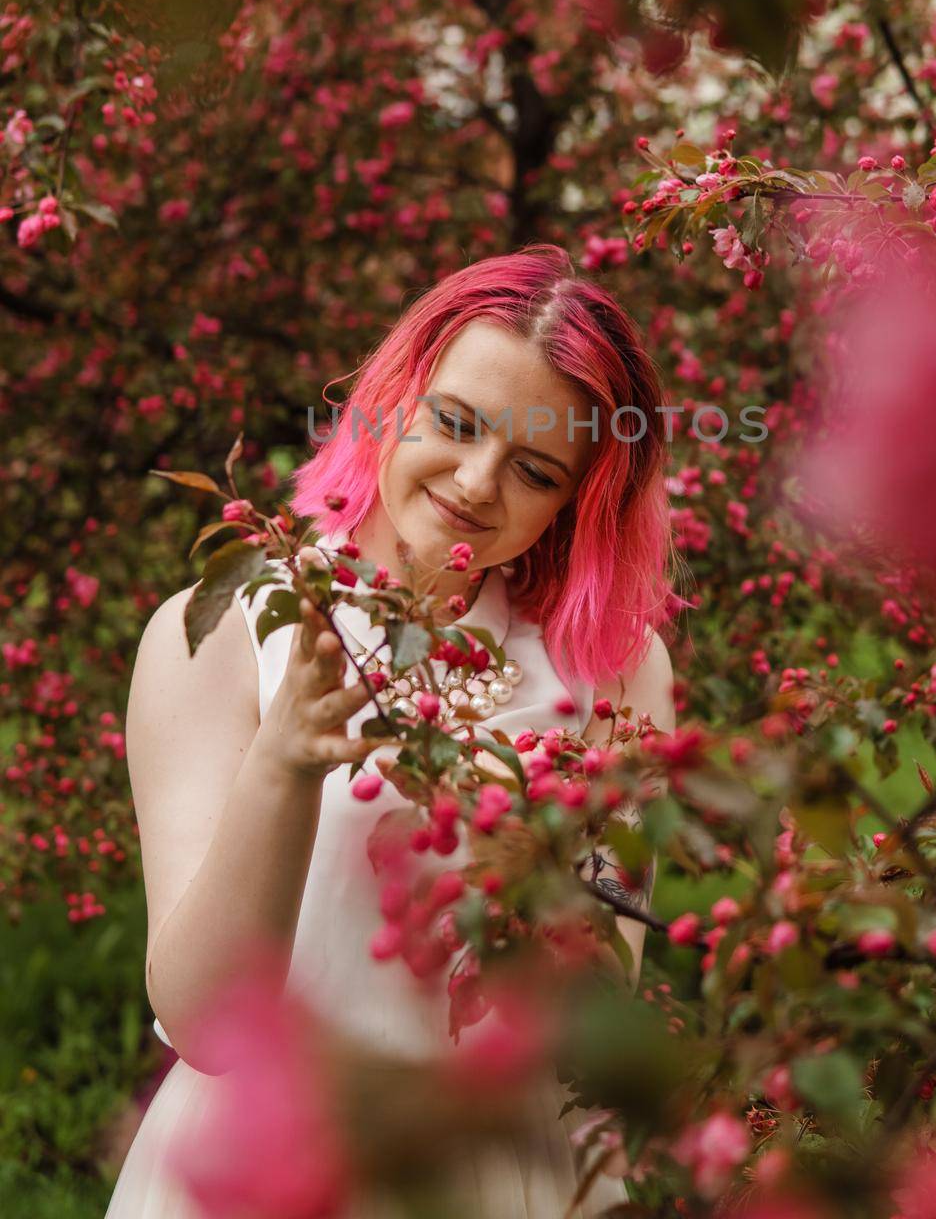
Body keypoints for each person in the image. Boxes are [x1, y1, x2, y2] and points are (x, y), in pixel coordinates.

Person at [107, 244, 679, 1217]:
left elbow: (601, 1010)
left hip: (494, 1170)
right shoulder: (231, 630)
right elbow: (203, 1019)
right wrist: (283, 766)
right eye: (455, 423)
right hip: (263, 1165)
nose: (475, 481)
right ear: (393, 396)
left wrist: (524, 899)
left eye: (535, 469)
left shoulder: (611, 668)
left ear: (568, 507)